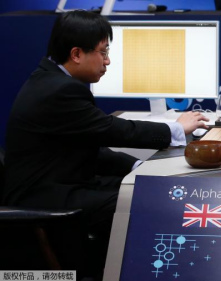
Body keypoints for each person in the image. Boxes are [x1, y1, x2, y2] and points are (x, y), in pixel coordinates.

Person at [3, 10, 208, 279]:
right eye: (103, 52)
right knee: (144, 199)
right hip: (44, 198)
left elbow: (88, 146)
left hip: (60, 183)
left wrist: (138, 166)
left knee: (140, 186)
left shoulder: (51, 79)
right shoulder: (60, 90)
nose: (108, 61)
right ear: (76, 54)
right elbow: (110, 130)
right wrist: (177, 128)